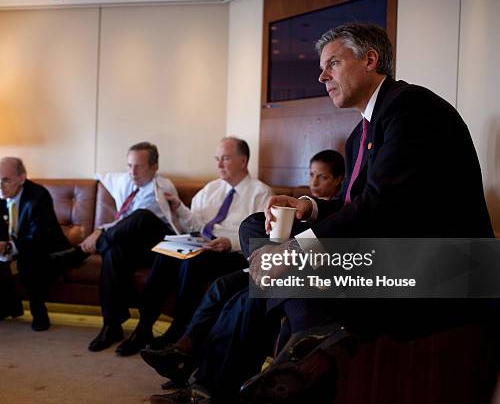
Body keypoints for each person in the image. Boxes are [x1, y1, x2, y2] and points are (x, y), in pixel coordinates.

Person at [149, 23, 494, 404]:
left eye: (332, 63)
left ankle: (217, 382)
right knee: (254, 225)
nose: (321, 75)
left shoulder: (411, 108)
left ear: (370, 59)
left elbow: (380, 206)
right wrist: (306, 207)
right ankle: (221, 379)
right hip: (382, 253)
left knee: (257, 286)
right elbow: (356, 205)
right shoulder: (358, 135)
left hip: (442, 267)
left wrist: (294, 251)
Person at [141, 149, 345, 389]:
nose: (313, 182)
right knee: (222, 283)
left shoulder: (340, 212)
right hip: (271, 261)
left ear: (340, 179)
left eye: (322, 177)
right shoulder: (306, 208)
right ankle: (185, 349)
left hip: (289, 265)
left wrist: (283, 249)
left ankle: (203, 379)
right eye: (311, 175)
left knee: (240, 299)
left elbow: (318, 246)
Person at [111, 137, 272, 357]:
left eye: (225, 158)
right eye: (217, 159)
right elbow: (197, 225)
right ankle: (144, 326)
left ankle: (179, 330)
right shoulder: (211, 189)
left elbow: (263, 237)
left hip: (234, 253)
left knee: (194, 259)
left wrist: (229, 242)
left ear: (243, 161)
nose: (219, 165)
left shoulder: (261, 193)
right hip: (204, 243)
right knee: (167, 249)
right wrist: (180, 209)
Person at [0, 157, 81, 331]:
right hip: (12, 246)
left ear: (21, 178)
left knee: (29, 259)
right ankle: (3, 308)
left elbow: (37, 238)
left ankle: (39, 312)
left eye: (6, 180)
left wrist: (6, 246)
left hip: (45, 248)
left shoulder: (38, 195)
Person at [86, 142, 182, 352]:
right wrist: (99, 229)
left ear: (154, 166)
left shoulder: (161, 187)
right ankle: (111, 325)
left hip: (159, 245)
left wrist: (100, 232)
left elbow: (131, 222)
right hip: (135, 247)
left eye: (138, 166)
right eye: (129, 166)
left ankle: (143, 328)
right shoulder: (128, 182)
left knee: (140, 216)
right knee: (113, 251)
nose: (132, 172)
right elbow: (102, 175)